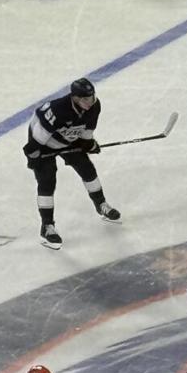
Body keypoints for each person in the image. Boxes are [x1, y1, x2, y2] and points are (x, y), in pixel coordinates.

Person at [23, 78, 121, 249]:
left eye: (91, 98)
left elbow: (86, 132)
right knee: (47, 180)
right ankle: (47, 227)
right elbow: (36, 141)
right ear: (75, 98)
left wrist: (89, 144)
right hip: (43, 143)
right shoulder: (57, 109)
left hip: (69, 140)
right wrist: (34, 156)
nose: (90, 102)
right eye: (85, 99)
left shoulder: (94, 106)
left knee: (87, 169)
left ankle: (101, 205)